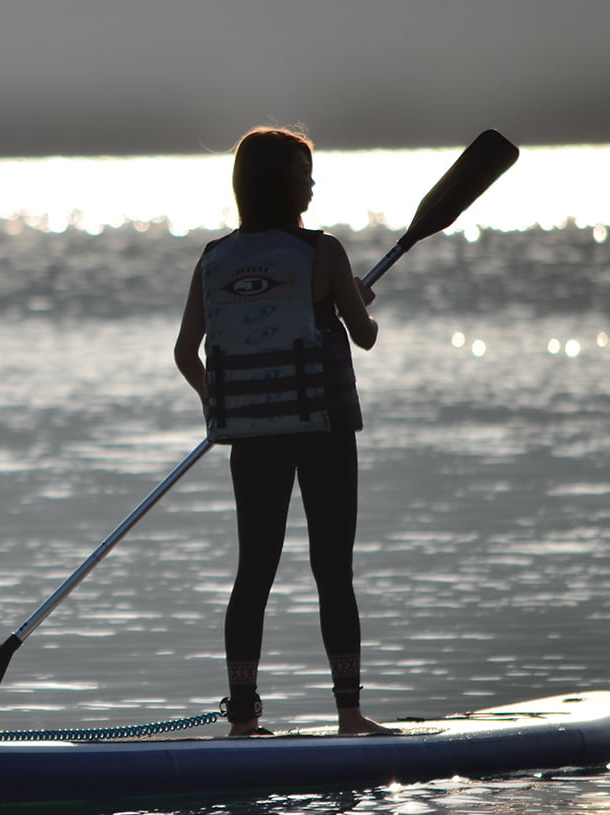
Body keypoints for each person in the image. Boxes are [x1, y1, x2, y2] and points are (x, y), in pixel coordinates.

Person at [172, 126, 393, 737]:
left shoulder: (215, 257)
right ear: (279, 181)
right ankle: (350, 715)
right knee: (333, 568)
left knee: (254, 572)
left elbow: (186, 353)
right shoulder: (323, 251)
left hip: (253, 437)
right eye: (303, 170)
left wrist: (220, 407)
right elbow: (365, 335)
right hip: (321, 428)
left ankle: (243, 721)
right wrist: (355, 300)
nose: (312, 181)